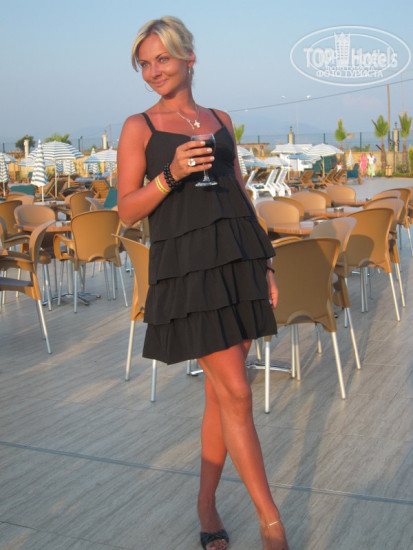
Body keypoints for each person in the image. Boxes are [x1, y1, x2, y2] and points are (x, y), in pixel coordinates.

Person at [117, 16, 289, 550]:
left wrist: (264, 265)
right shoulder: (139, 127)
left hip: (238, 264)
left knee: (221, 396)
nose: (153, 71)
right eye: (144, 64)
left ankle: (206, 504)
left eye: (162, 59)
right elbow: (126, 210)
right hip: (188, 271)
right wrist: (170, 175)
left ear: (188, 58)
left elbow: (240, 196)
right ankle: (272, 524)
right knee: (237, 391)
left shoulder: (220, 120)